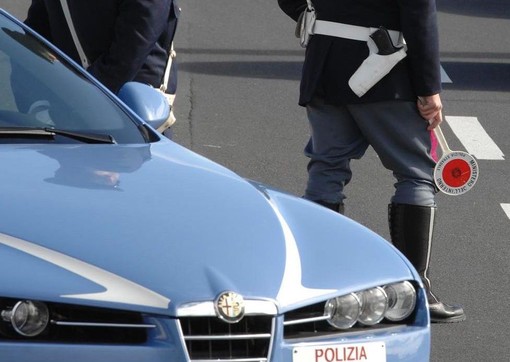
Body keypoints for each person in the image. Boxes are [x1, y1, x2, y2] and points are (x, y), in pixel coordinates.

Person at [278, 0, 466, 323]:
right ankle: (414, 291)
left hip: (326, 61)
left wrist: (320, 17)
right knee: (417, 173)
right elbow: (419, 11)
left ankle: (318, 290)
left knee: (326, 171)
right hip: (384, 68)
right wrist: (428, 87)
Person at [24, 0, 180, 137]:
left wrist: (81, 100)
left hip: (133, 115)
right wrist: (34, 102)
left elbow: (128, 53)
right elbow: (35, 37)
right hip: (72, 113)